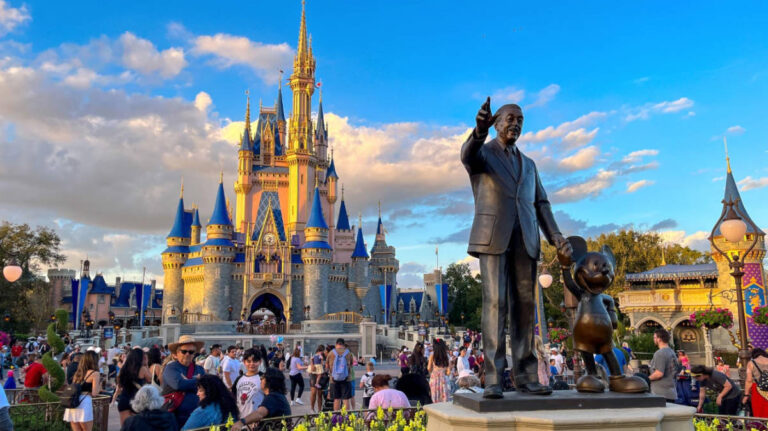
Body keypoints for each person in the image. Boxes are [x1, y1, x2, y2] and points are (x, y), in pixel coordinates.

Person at [461, 97, 572, 399]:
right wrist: (478, 131)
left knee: (525, 306)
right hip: (493, 236)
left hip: (526, 238)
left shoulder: (530, 165)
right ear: (496, 123)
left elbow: (541, 204)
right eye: (510, 118)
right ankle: (494, 378)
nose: (515, 124)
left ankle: (526, 375)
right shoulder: (483, 154)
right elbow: (467, 155)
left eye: (520, 120)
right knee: (495, 302)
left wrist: (557, 237)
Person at [161, 335, 206, 428]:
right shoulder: (171, 368)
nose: (187, 354)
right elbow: (178, 384)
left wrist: (188, 382)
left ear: (194, 354)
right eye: (184, 351)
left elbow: (206, 387)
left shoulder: (200, 369)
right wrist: (197, 380)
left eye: (191, 352)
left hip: (195, 417)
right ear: (177, 353)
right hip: (174, 416)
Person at [63, 350, 101, 431]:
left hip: (73, 401)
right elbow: (95, 393)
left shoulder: (78, 373)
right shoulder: (95, 373)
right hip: (84, 402)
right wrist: (99, 385)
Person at [116, 348, 151, 425]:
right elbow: (150, 380)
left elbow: (119, 383)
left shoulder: (124, 368)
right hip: (136, 401)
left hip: (124, 399)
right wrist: (146, 364)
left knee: (125, 427)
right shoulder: (142, 369)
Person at [648, 328, 678, 403]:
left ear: (659, 339)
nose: (653, 339)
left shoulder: (660, 353)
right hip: (671, 392)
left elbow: (659, 373)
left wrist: (646, 379)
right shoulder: (672, 352)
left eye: (655, 337)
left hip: (660, 393)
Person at [233, 348, 264, 419]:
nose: (252, 364)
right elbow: (234, 398)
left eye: (255, 361)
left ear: (260, 362)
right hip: (240, 420)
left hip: (257, 420)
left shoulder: (264, 378)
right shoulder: (239, 379)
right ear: (244, 362)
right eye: (248, 361)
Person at [325, 338, 354, 411]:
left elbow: (327, 366)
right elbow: (351, 365)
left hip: (334, 379)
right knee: (345, 399)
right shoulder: (348, 353)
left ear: (336, 344)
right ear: (343, 344)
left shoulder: (331, 353)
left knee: (336, 399)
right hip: (346, 378)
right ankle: (347, 417)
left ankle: (336, 416)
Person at [744, 348, 768, 417]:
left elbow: (749, 380)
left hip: (757, 389)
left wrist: (746, 395)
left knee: (760, 411)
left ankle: (762, 427)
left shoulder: (751, 363)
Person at [309, 345, 325, 413]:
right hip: (314, 374)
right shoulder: (315, 357)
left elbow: (324, 365)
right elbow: (312, 368)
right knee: (313, 392)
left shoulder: (322, 356)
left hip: (321, 375)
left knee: (320, 394)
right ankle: (312, 408)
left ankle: (319, 410)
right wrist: (312, 362)